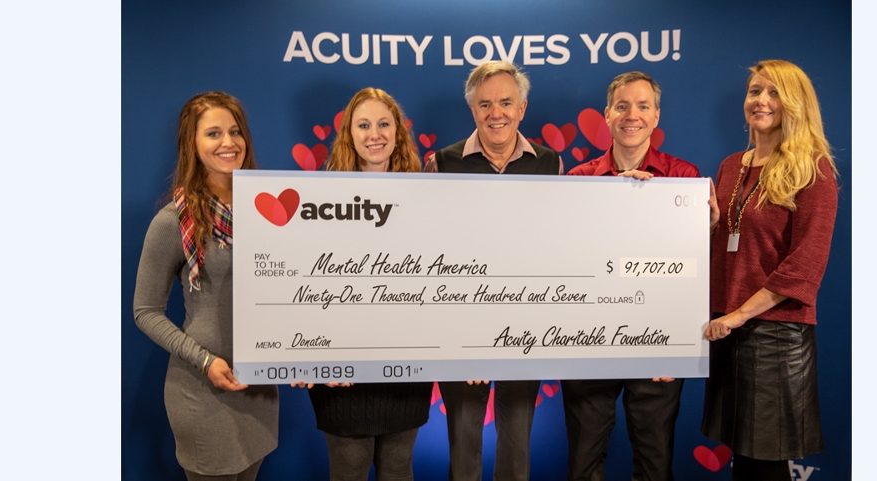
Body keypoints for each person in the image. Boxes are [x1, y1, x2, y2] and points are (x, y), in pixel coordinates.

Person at [563, 71, 716, 481]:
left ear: (656, 116)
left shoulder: (683, 179)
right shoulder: (576, 181)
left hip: (657, 346)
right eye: (623, 106)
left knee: (654, 464)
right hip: (587, 339)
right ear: (607, 115)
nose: (633, 115)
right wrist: (617, 203)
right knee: (582, 462)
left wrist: (676, 344)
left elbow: (690, 266)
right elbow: (565, 259)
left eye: (643, 106)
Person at [423, 60, 561, 481]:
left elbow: (561, 244)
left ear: (522, 108)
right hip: (460, 326)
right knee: (464, 442)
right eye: (485, 104)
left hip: (525, 323)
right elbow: (426, 248)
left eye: (505, 102)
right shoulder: (441, 164)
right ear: (472, 110)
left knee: (517, 442)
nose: (495, 113)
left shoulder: (549, 163)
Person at [702, 59, 838, 481]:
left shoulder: (812, 168)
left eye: (774, 92)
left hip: (776, 334)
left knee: (766, 463)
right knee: (743, 457)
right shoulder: (731, 166)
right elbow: (728, 243)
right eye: (755, 91)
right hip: (730, 328)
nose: (761, 101)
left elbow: (805, 263)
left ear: (796, 104)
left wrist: (741, 314)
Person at [133, 91, 278, 481]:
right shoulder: (174, 220)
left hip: (258, 390)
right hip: (203, 388)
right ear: (192, 144)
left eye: (235, 131)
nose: (228, 143)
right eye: (213, 133)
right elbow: (145, 311)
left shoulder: (271, 211)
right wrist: (205, 361)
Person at [292, 87, 433, 481]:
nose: (375, 134)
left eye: (384, 124)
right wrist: (304, 350)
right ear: (348, 134)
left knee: (399, 467)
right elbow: (304, 282)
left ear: (399, 131)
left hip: (406, 364)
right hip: (340, 368)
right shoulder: (317, 199)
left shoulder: (427, 196)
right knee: (350, 467)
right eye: (364, 125)